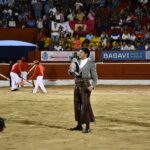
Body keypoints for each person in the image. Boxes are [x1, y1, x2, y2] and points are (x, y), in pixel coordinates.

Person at [69, 47, 98, 133]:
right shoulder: (76, 62)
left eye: (81, 52)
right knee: (77, 105)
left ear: (86, 54)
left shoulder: (91, 63)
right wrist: (70, 71)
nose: (79, 54)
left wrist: (92, 86)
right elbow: (72, 73)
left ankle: (88, 127)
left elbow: (95, 77)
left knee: (85, 105)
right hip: (77, 84)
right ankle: (79, 125)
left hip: (86, 85)